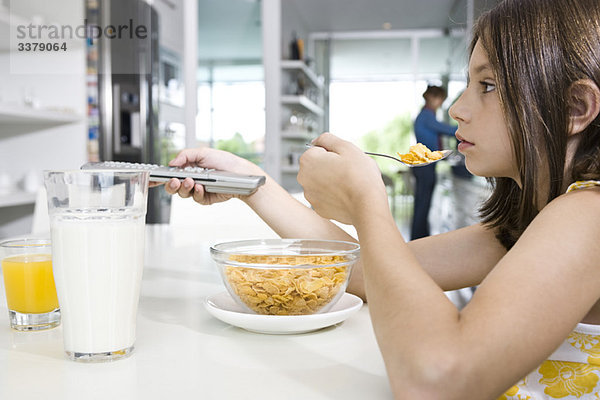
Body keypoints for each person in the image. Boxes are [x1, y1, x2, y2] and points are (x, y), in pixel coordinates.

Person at [163, 0, 600, 397]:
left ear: (574, 108)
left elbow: (437, 380)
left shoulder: (589, 214)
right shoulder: (526, 225)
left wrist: (367, 202)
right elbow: (357, 274)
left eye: (488, 85)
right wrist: (253, 182)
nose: (458, 109)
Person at [411, 85, 457, 239]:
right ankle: (419, 238)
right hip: (425, 166)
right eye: (440, 100)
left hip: (424, 165)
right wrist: (467, 129)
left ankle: (419, 237)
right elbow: (446, 129)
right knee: (423, 204)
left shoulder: (425, 115)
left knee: (422, 203)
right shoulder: (427, 116)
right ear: (433, 98)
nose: (440, 103)